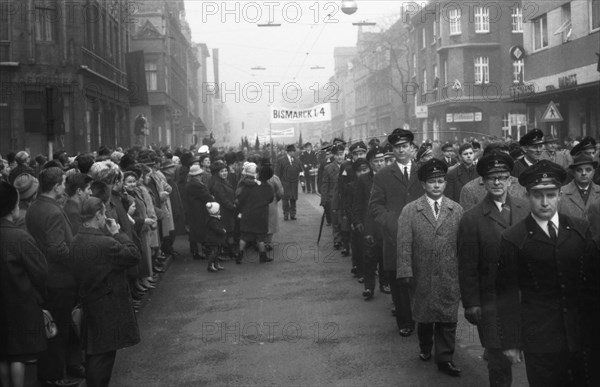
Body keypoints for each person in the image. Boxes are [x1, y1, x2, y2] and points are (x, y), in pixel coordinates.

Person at [496, 160, 592, 387]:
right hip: (540, 338)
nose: (545, 202)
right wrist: (511, 341)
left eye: (551, 194)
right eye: (538, 195)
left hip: (581, 334)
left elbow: (593, 283)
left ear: (560, 195)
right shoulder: (514, 238)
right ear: (528, 196)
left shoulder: (580, 229)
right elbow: (506, 294)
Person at [458, 152, 530, 387]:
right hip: (492, 302)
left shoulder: (526, 209)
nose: (497, 182)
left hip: (526, 298)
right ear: (484, 182)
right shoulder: (472, 218)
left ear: (511, 180)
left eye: (502, 177)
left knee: (538, 358)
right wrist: (471, 303)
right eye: (492, 178)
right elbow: (467, 265)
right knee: (499, 363)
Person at [396, 158, 464, 377]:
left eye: (441, 181)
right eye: (432, 181)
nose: (437, 185)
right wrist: (405, 271)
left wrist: (463, 273)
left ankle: (445, 358)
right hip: (422, 273)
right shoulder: (410, 210)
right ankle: (425, 346)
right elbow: (404, 243)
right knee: (425, 317)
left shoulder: (456, 209)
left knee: (447, 317)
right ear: (424, 184)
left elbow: (463, 245)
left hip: (449, 274)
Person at [72, 197, 141, 387]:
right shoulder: (105, 243)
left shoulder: (76, 240)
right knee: (103, 358)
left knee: (95, 353)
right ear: (98, 215)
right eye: (104, 213)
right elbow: (134, 255)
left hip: (90, 302)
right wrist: (118, 234)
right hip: (108, 305)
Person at [369, 128, 424, 338]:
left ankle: (423, 317)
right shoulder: (383, 175)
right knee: (398, 279)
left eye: (405, 146)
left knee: (421, 276)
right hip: (394, 236)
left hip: (421, 233)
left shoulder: (423, 171)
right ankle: (405, 321)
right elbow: (375, 207)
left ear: (412, 148)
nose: (402, 150)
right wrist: (394, 223)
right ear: (393, 150)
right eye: (397, 147)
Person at [0, 181, 48, 387]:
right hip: (20, 305)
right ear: (12, 206)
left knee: (2, 355)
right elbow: (41, 271)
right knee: (17, 356)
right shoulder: (19, 237)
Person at [353, 146, 390, 300]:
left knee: (385, 255)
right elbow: (358, 202)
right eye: (376, 161)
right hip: (369, 224)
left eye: (382, 160)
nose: (380, 163)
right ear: (370, 163)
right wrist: (357, 221)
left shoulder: (390, 177)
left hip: (386, 223)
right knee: (369, 256)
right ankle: (369, 287)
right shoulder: (363, 179)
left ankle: (384, 283)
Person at [235, 162, 274, 264]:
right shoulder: (269, 188)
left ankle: (239, 256)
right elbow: (270, 200)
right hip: (261, 215)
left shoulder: (250, 186)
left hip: (247, 213)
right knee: (260, 238)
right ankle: (263, 257)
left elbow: (241, 199)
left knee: (244, 236)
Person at [558, 153, 600, 221]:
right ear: (573, 173)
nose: (584, 173)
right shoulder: (562, 193)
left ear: (594, 172)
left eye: (588, 170)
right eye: (579, 170)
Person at [185, 165, 214, 261]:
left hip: (194, 210)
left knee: (196, 230)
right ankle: (199, 252)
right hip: (198, 210)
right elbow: (206, 196)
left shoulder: (191, 183)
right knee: (199, 231)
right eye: (199, 174)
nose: (201, 176)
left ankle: (197, 251)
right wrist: (212, 198)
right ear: (195, 176)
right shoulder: (196, 185)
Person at [209, 161, 238, 258]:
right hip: (224, 211)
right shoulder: (218, 184)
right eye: (222, 171)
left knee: (229, 232)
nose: (224, 173)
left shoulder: (224, 181)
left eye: (226, 171)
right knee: (227, 232)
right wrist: (233, 206)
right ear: (217, 173)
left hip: (228, 211)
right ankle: (229, 251)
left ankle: (229, 251)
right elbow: (223, 199)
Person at [320, 145, 345, 250]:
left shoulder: (348, 166)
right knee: (335, 221)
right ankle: (337, 240)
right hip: (333, 197)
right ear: (334, 155)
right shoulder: (328, 168)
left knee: (344, 220)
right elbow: (325, 184)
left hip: (345, 198)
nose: (340, 157)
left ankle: (345, 241)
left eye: (341, 154)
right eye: (337, 155)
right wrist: (324, 199)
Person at [275, 144, 302, 221]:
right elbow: (277, 173)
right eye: (293, 151)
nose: (294, 153)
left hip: (294, 183)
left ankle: (293, 214)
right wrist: (278, 183)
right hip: (284, 183)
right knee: (285, 200)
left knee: (293, 199)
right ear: (289, 152)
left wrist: (302, 180)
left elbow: (301, 171)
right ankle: (286, 214)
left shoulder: (297, 160)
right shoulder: (281, 160)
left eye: (294, 151)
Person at [204, 202, 226, 272]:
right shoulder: (212, 221)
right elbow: (217, 230)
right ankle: (210, 265)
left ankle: (216, 264)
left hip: (216, 239)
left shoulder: (214, 219)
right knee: (214, 252)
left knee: (217, 252)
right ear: (215, 211)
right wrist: (223, 231)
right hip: (213, 240)